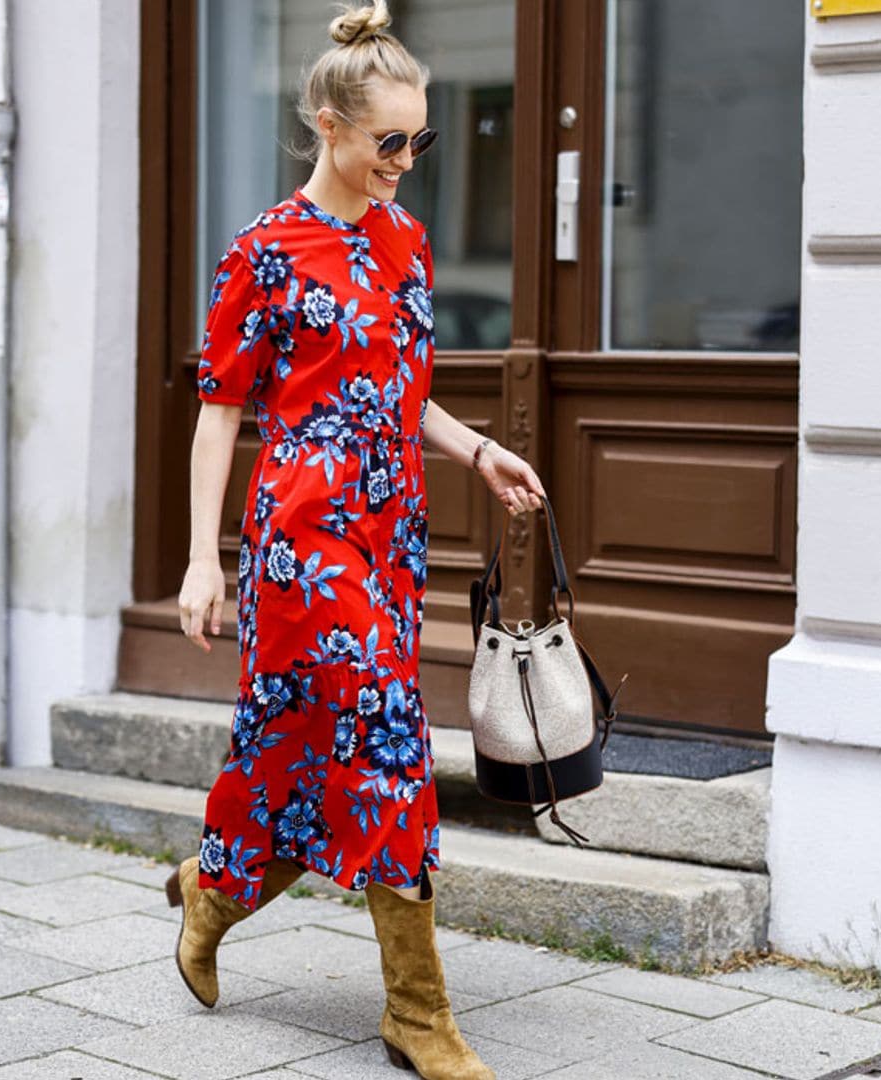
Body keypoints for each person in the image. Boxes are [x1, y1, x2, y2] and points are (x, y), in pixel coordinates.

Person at [167, 4, 542, 1076]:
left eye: (419, 141)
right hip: (302, 540)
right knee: (387, 742)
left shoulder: (407, 245)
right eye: (390, 142)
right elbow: (219, 414)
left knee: (284, 751)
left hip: (389, 535)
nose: (407, 162)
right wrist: (203, 559)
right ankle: (417, 1013)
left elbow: (402, 396)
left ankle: (209, 895)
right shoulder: (265, 254)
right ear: (329, 127)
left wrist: (478, 452)